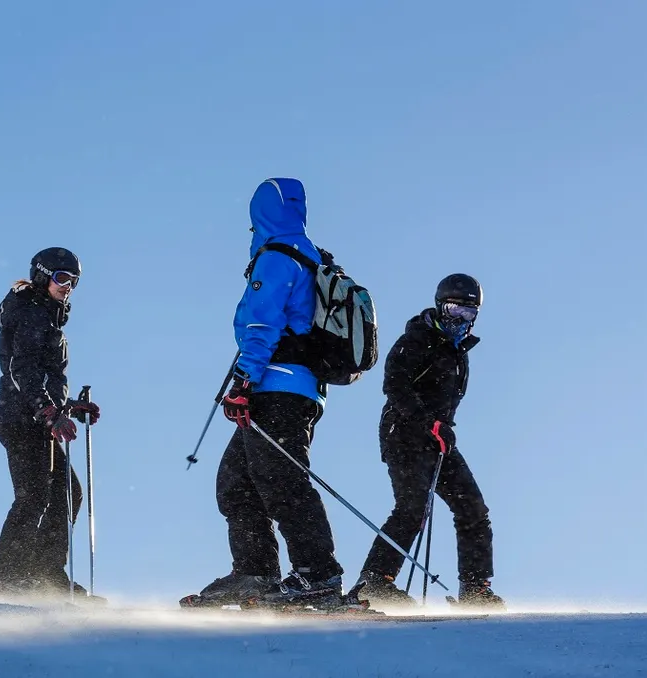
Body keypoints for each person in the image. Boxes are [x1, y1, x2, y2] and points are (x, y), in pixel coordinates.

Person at [188, 177, 346, 609]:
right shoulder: (312, 256)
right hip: (298, 388)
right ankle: (255, 571)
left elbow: (261, 324)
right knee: (237, 483)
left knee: (282, 480)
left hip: (275, 386)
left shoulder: (277, 257)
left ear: (260, 214)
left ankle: (318, 575)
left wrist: (243, 381)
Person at [353, 273, 506, 610]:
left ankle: (475, 588)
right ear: (440, 306)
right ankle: (374, 581)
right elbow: (395, 386)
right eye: (454, 310)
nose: (460, 320)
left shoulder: (458, 352)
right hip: (404, 434)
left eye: (469, 314)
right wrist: (428, 422)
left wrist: (440, 428)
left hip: (439, 440)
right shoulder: (416, 340)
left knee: (473, 509)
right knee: (412, 508)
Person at [0, 246, 101, 599]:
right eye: (62, 278)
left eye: (74, 281)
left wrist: (68, 406)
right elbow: (22, 370)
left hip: (36, 417)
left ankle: (44, 573)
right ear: (41, 274)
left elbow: (44, 377)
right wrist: (48, 411)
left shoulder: (45, 315)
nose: (68, 286)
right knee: (34, 495)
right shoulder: (32, 313)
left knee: (67, 492)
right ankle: (8, 578)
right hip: (21, 418)